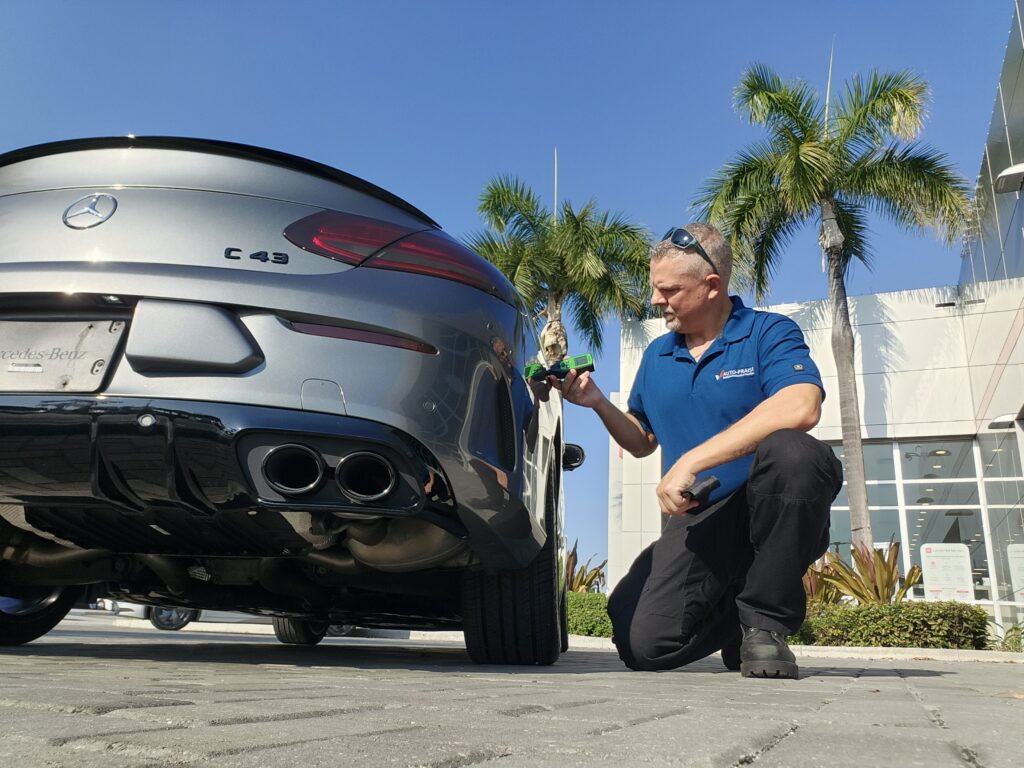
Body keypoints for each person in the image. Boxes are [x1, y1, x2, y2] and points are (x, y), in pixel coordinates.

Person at [546, 223, 842, 678]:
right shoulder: (658, 356)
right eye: (654, 289)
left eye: (667, 290)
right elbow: (642, 442)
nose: (656, 301)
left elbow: (802, 404)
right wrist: (597, 402)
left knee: (796, 454)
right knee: (642, 645)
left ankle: (765, 627)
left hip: (768, 510)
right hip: (701, 521)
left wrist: (693, 459)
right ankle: (736, 627)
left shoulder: (767, 333)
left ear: (711, 287)